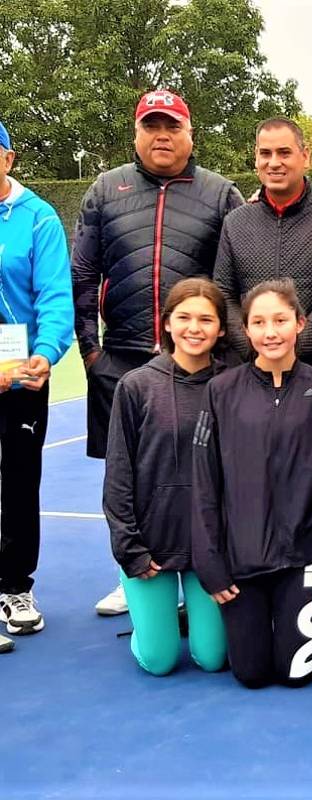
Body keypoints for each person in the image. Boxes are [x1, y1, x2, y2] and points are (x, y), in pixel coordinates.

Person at [72, 89, 243, 617]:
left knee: (207, 468)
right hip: (121, 360)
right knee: (128, 472)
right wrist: (91, 353)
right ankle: (134, 575)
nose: (162, 136)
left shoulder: (219, 193)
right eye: (152, 126)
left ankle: (205, 570)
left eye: (172, 126)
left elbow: (236, 275)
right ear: (137, 133)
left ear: (191, 134)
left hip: (201, 363)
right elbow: (83, 273)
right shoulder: (106, 188)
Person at [192, 280, 312, 688]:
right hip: (242, 558)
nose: (271, 332)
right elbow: (205, 483)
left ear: (300, 323)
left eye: (280, 320)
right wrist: (211, 563)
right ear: (246, 331)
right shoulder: (221, 391)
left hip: (304, 558)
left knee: (296, 674)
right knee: (252, 674)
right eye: (259, 323)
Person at [103, 278, 228, 675]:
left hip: (209, 548)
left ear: (222, 328)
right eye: (184, 317)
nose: (195, 328)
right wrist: (130, 548)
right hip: (151, 546)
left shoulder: (232, 385)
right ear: (167, 324)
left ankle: (190, 616)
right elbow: (118, 475)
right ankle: (151, 624)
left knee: (211, 658)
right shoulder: (136, 386)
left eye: (206, 319)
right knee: (159, 661)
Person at [0, 119, 73, 653]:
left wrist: (45, 355)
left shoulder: (38, 218)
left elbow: (54, 297)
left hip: (20, 378)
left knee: (20, 482)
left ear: (8, 157)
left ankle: (15, 588)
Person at [213, 117, 312, 377]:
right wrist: (256, 348)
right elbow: (223, 290)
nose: (274, 162)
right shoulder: (235, 222)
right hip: (251, 371)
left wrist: (287, 348)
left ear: (305, 156)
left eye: (284, 153)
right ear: (256, 158)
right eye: (265, 153)